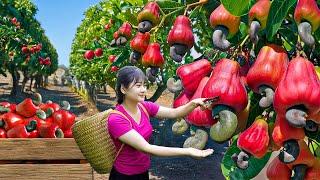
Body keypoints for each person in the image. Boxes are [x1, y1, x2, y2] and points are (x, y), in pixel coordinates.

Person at [108, 66, 214, 180]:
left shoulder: (145, 107)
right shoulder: (116, 119)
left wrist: (194, 103)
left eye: (144, 85)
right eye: (138, 86)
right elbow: (147, 148)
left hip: (142, 172)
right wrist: (188, 151)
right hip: (124, 176)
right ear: (123, 89)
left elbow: (175, 113)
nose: (143, 89)